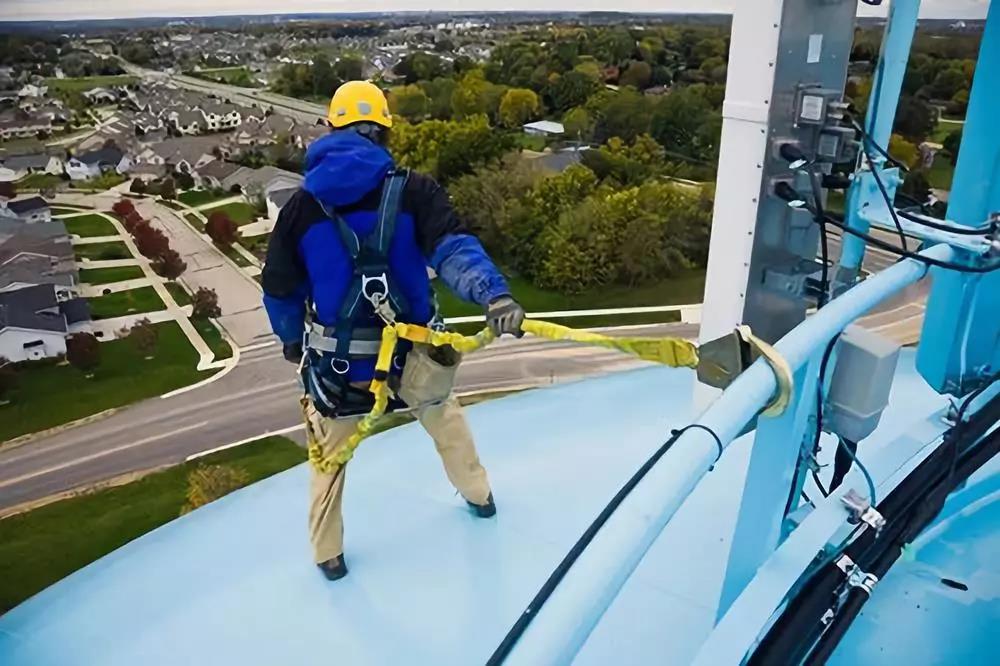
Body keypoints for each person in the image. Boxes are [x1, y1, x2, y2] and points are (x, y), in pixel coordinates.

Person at [262, 81, 526, 581]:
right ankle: (480, 497)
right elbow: (453, 250)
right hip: (416, 358)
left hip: (344, 369)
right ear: (383, 132)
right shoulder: (415, 191)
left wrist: (293, 338)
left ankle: (328, 555)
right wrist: (494, 294)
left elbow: (279, 287)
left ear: (331, 130)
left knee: (329, 460)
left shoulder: (300, 208)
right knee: (446, 422)